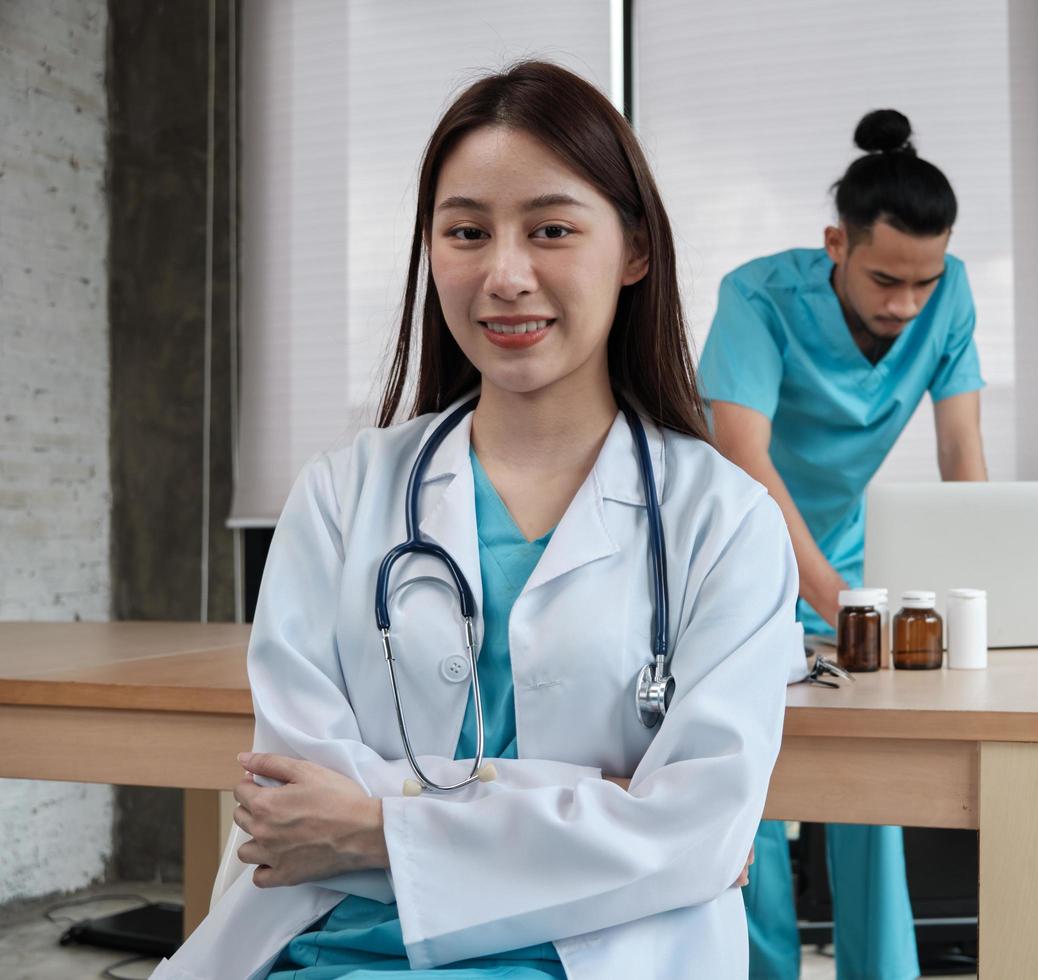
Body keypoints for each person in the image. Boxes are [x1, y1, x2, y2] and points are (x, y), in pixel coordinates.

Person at [153, 61, 800, 980]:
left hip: (598, 960)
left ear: (635, 251)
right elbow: (296, 805)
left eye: (551, 230)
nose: (504, 275)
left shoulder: (726, 521)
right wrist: (602, 807)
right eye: (466, 232)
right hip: (325, 946)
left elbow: (700, 829)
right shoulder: (343, 496)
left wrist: (378, 824)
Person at [698, 109, 988, 980]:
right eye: (885, 279)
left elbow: (961, 448)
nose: (906, 305)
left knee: (873, 783)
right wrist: (830, 595)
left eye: (923, 282)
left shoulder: (950, 292)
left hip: (851, 558)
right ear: (836, 242)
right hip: (739, 558)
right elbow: (741, 458)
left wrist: (981, 583)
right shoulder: (756, 296)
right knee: (753, 785)